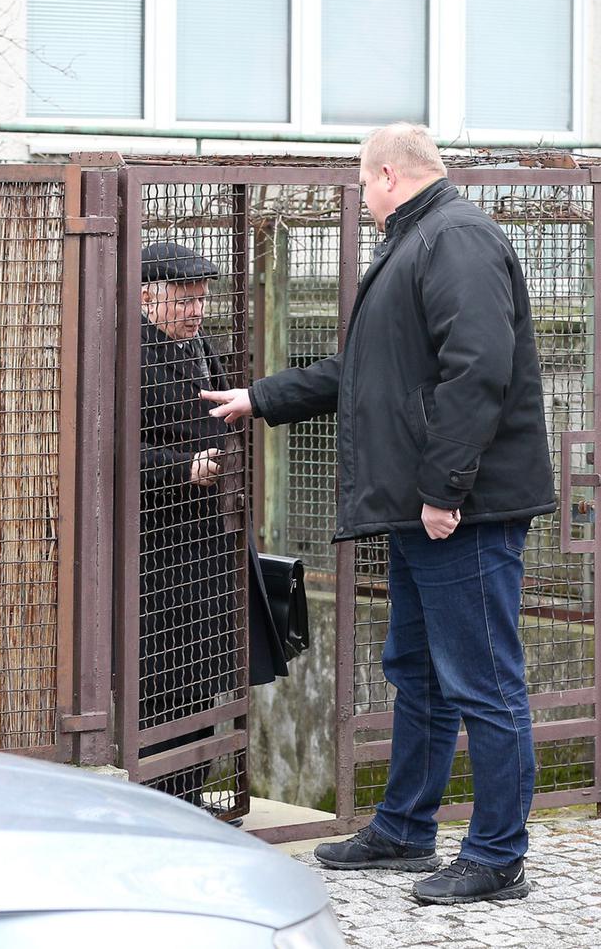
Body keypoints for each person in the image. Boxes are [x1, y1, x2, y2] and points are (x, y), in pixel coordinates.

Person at [202, 123, 555, 903]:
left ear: (388, 174)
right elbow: (363, 372)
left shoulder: (454, 239)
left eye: (362, 183)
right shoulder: (419, 240)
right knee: (419, 674)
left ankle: (498, 857)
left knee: (484, 681)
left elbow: (479, 372)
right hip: (421, 509)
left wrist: (444, 490)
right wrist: (260, 397)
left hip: (460, 511)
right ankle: (405, 830)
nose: (361, 196)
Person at [140, 241, 287, 807]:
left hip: (216, 540)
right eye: (184, 299)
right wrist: (185, 468)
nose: (196, 310)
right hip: (161, 547)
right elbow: (115, 453)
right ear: (148, 298)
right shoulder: (133, 355)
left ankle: (192, 796)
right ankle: (160, 799)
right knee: (164, 679)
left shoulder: (205, 346)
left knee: (209, 674)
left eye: (201, 299)